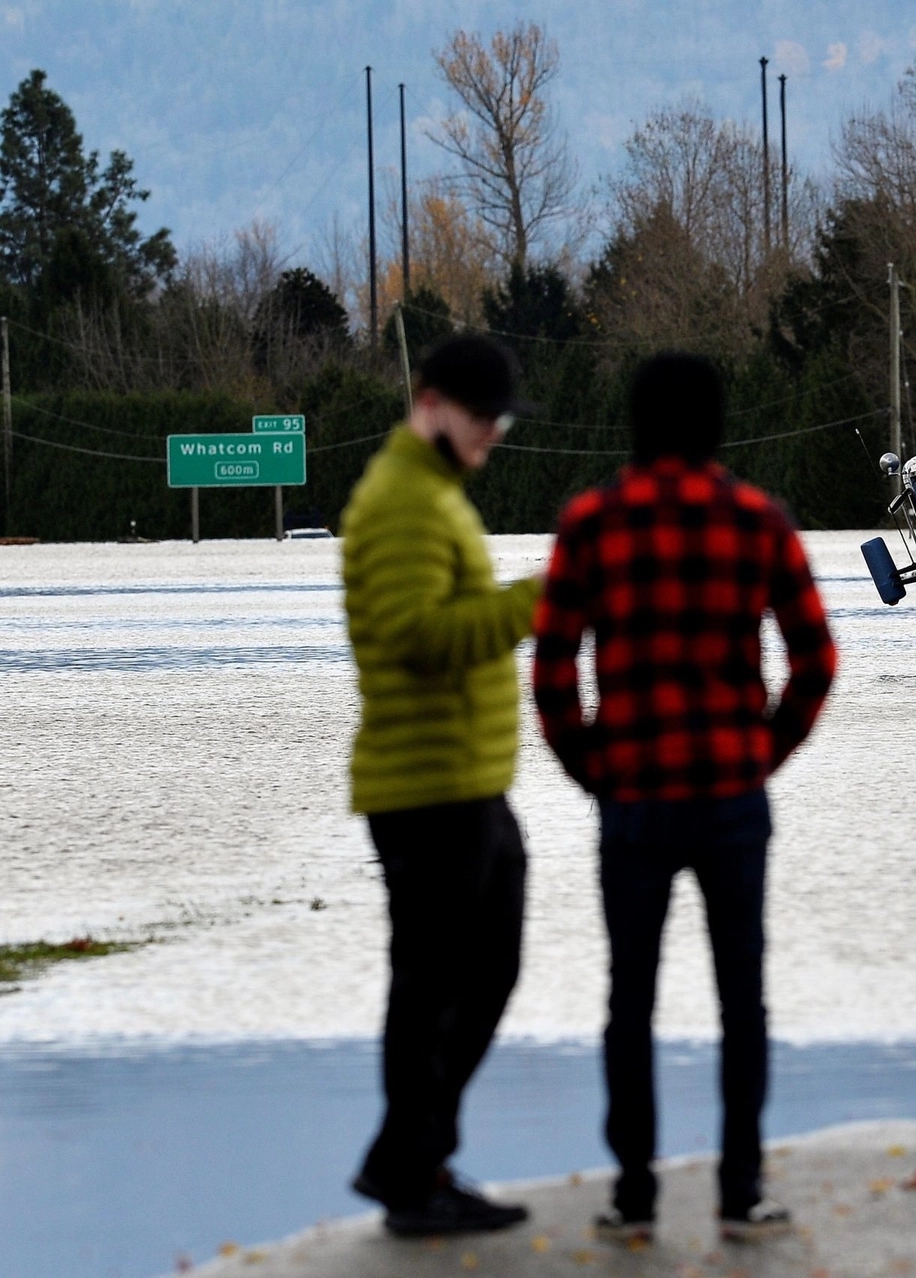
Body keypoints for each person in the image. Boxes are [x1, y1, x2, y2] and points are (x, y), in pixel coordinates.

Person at [531, 352, 837, 1243]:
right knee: (743, 998)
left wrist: (594, 769)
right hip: (732, 797)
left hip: (634, 799)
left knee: (631, 1000)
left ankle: (634, 1196)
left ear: (634, 422)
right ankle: (741, 1192)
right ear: (714, 423)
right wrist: (761, 753)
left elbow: (552, 674)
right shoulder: (757, 520)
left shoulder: (592, 524)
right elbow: (815, 659)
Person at [340, 334, 542, 1237]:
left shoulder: (433, 496)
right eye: (482, 417)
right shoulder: (404, 505)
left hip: (464, 782)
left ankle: (414, 1157)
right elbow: (419, 636)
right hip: (426, 789)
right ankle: (413, 1175)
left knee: (482, 971)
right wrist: (545, 598)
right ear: (432, 405)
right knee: (431, 986)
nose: (493, 434)